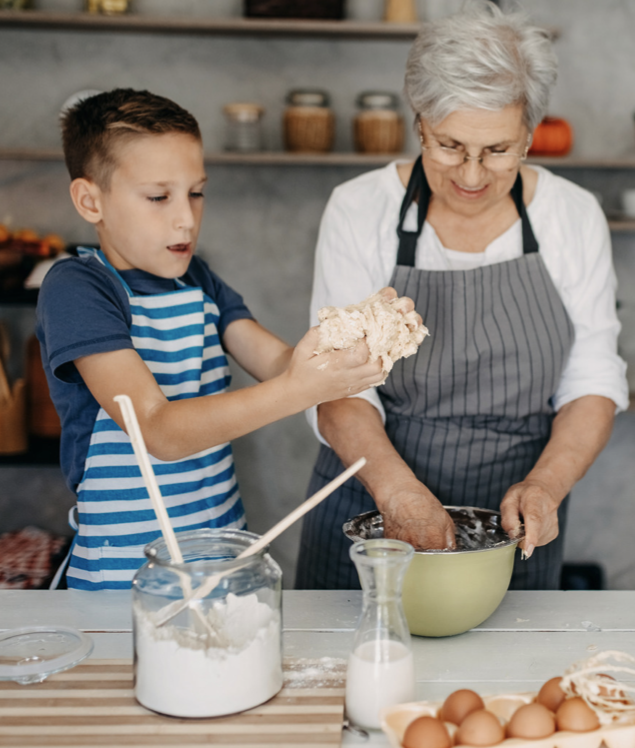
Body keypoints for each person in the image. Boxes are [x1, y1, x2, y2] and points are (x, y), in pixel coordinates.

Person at [296, 2, 628, 590]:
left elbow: (592, 379)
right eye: (448, 146)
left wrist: (546, 485)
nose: (471, 176)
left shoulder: (571, 216)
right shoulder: (359, 209)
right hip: (371, 492)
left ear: (529, 134)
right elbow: (335, 383)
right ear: (419, 121)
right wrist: (397, 492)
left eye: (498, 151)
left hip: (515, 514)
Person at [37, 89, 389, 590]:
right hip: (127, 575)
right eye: (159, 197)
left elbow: (281, 362)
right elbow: (156, 430)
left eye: (195, 192)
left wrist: (354, 343)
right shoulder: (78, 288)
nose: (186, 217)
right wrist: (299, 391)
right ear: (90, 200)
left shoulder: (198, 279)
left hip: (223, 557)